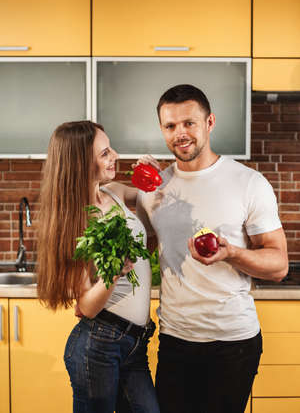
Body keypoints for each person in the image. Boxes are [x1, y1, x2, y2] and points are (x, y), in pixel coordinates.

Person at [136, 84, 289, 413]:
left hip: (233, 343)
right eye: (170, 126)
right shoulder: (154, 190)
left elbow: (279, 266)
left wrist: (231, 253)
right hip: (175, 340)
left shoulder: (248, 183)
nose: (180, 133)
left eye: (189, 123)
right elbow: (135, 248)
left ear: (210, 122)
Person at [37, 120, 160, 413]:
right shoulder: (75, 221)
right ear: (81, 162)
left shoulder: (114, 192)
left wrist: (153, 175)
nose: (115, 155)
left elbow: (150, 197)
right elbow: (87, 307)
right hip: (99, 345)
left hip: (135, 342)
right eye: (105, 153)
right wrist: (114, 273)